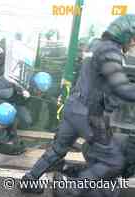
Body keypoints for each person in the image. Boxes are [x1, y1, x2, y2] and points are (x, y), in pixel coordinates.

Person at [20, 14, 135, 196]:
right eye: (133, 38)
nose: (133, 43)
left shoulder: (95, 45)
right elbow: (120, 87)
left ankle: (29, 180)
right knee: (114, 161)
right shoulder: (110, 51)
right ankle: (70, 188)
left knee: (57, 150)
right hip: (88, 114)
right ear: (126, 35)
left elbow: (98, 80)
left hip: (73, 106)